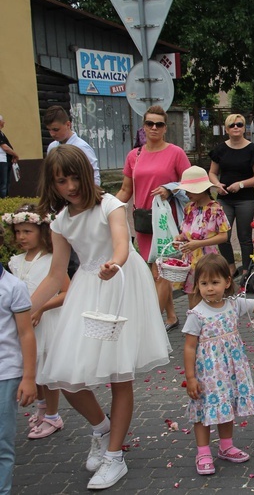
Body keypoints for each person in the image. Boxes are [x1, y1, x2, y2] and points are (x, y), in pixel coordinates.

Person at [31, 144, 171, 490]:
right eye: (61, 181)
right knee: (63, 377)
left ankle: (114, 457)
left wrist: (115, 263)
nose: (70, 186)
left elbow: (121, 243)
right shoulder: (60, 222)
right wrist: (27, 308)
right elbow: (54, 274)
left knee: (119, 375)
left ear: (86, 174)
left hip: (121, 284)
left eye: (75, 177)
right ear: (53, 184)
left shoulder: (109, 204)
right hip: (86, 290)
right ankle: (102, 426)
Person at [183, 254, 254, 475]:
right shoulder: (197, 314)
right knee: (204, 410)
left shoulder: (235, 304)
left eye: (215, 282)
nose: (209, 288)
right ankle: (203, 452)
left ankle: (226, 446)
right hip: (207, 374)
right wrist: (191, 378)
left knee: (227, 407)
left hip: (231, 371)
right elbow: (189, 347)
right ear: (197, 286)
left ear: (227, 282)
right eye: (203, 283)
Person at [116, 105, 191, 332]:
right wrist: (107, 207)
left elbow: (191, 183)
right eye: (150, 123)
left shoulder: (175, 153)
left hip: (166, 222)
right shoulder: (134, 155)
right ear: (144, 127)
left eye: (159, 124)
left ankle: (151, 326)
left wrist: (170, 189)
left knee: (162, 272)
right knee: (154, 271)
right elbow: (126, 189)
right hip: (143, 220)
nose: (154, 128)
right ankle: (170, 316)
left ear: (165, 128)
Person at [4, 205, 68, 440]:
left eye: (27, 231)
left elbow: (65, 292)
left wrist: (42, 308)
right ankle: (42, 407)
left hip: (47, 324)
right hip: (25, 326)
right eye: (18, 232)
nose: (21, 237)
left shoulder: (52, 261)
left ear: (42, 232)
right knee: (34, 369)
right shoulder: (15, 262)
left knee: (47, 374)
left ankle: (53, 415)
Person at [0, 224, 36, 494]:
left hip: (6, 373)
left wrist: (28, 377)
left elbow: (25, 334)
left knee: (2, 442)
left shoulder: (13, 287)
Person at [208, 114, 254, 279]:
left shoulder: (252, 149)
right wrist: (216, 184)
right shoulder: (220, 149)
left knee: (244, 236)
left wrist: (240, 184)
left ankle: (247, 271)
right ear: (226, 129)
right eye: (232, 125)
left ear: (244, 128)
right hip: (224, 198)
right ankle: (231, 267)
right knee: (222, 235)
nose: (236, 127)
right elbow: (212, 172)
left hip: (245, 199)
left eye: (239, 125)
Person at [173, 166, 230, 308]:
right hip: (189, 259)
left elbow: (223, 236)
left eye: (189, 190)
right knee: (192, 298)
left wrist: (199, 243)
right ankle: (195, 327)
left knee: (208, 297)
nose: (186, 193)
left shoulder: (215, 209)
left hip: (207, 260)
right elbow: (186, 232)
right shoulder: (188, 208)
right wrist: (180, 239)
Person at [43, 105, 101, 185]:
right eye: (49, 130)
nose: (52, 134)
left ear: (68, 125)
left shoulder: (81, 147)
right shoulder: (52, 147)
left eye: (55, 129)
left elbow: (94, 176)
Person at [0, 115, 19, 198]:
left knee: (6, 182)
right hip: (1, 161)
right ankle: (3, 200)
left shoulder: (1, 133)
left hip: (6, 161)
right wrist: (15, 154)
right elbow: (5, 147)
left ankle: (6, 199)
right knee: (3, 183)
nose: (4, 122)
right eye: (3, 120)